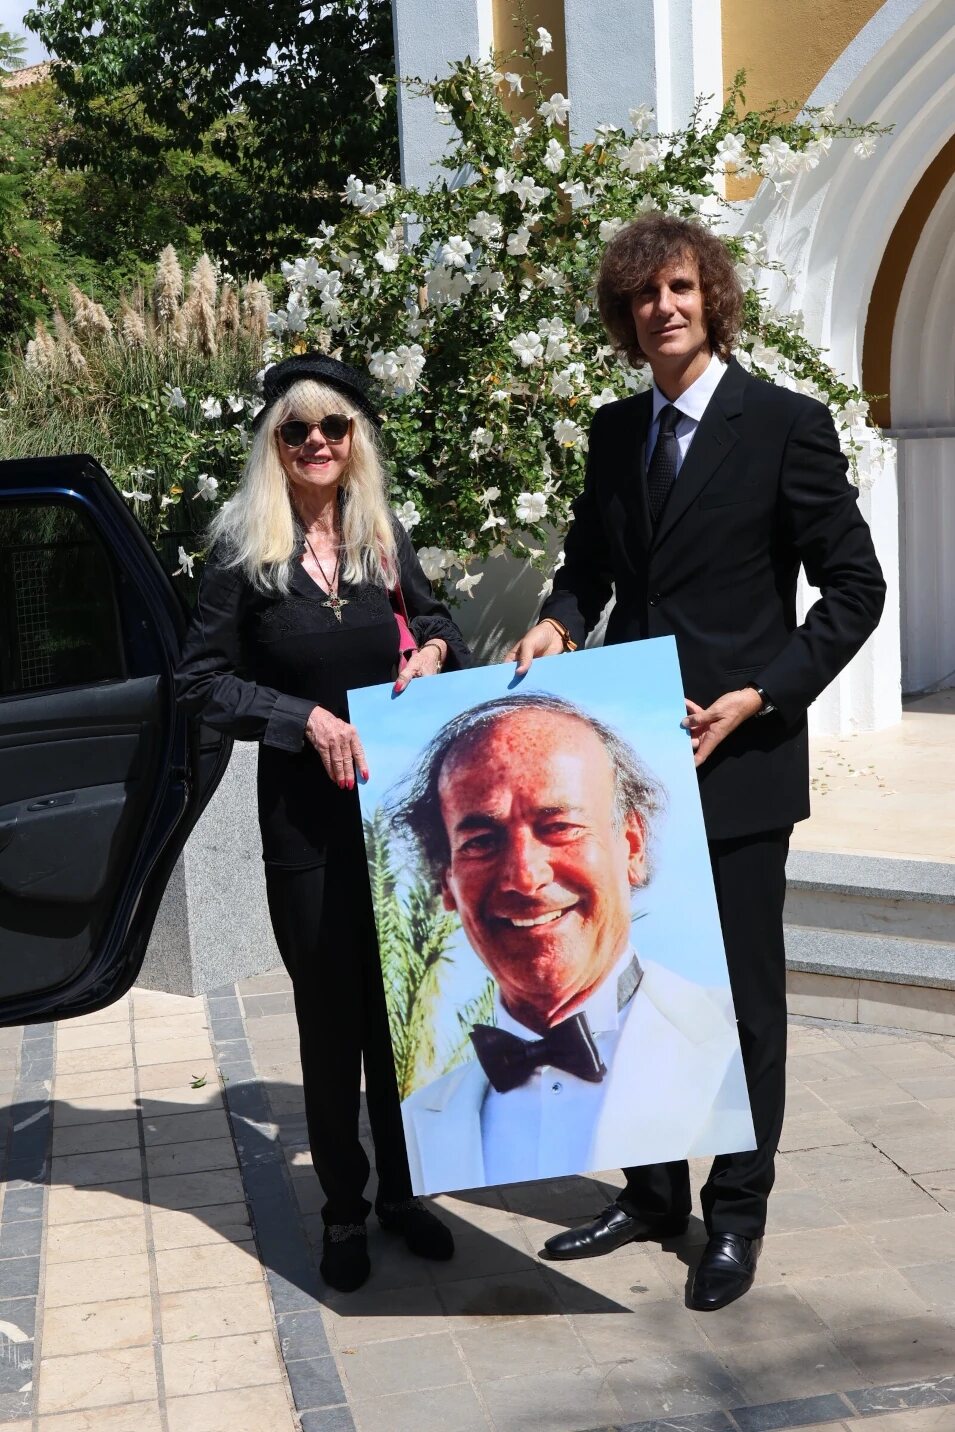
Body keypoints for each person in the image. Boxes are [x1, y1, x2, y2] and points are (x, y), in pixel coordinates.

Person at [507, 214, 886, 1311]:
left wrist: (764, 690)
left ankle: (737, 1211)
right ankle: (652, 1189)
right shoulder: (614, 432)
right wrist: (557, 623)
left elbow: (854, 588)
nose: (661, 308)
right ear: (623, 319)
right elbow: (588, 567)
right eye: (640, 297)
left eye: (677, 288)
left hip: (739, 756)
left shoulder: (784, 425)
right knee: (630, 987)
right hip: (627, 757)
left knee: (740, 1002)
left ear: (709, 297)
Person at [175, 352, 470, 1292]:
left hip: (396, 821)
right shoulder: (242, 555)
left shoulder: (380, 538)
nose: (315, 443)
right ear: (273, 444)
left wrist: (429, 651)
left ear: (355, 442)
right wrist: (299, 720)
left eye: (333, 428)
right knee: (330, 1015)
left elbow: (441, 621)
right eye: (296, 430)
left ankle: (401, 1194)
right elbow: (198, 684)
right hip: (304, 823)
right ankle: (344, 1207)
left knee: (399, 1010)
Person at [392, 693, 755, 1195]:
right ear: (445, 880)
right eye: (481, 841)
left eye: (559, 827)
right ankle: (650, 1203)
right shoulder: (419, 1120)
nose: (525, 877)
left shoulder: (732, 1041)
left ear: (631, 846)